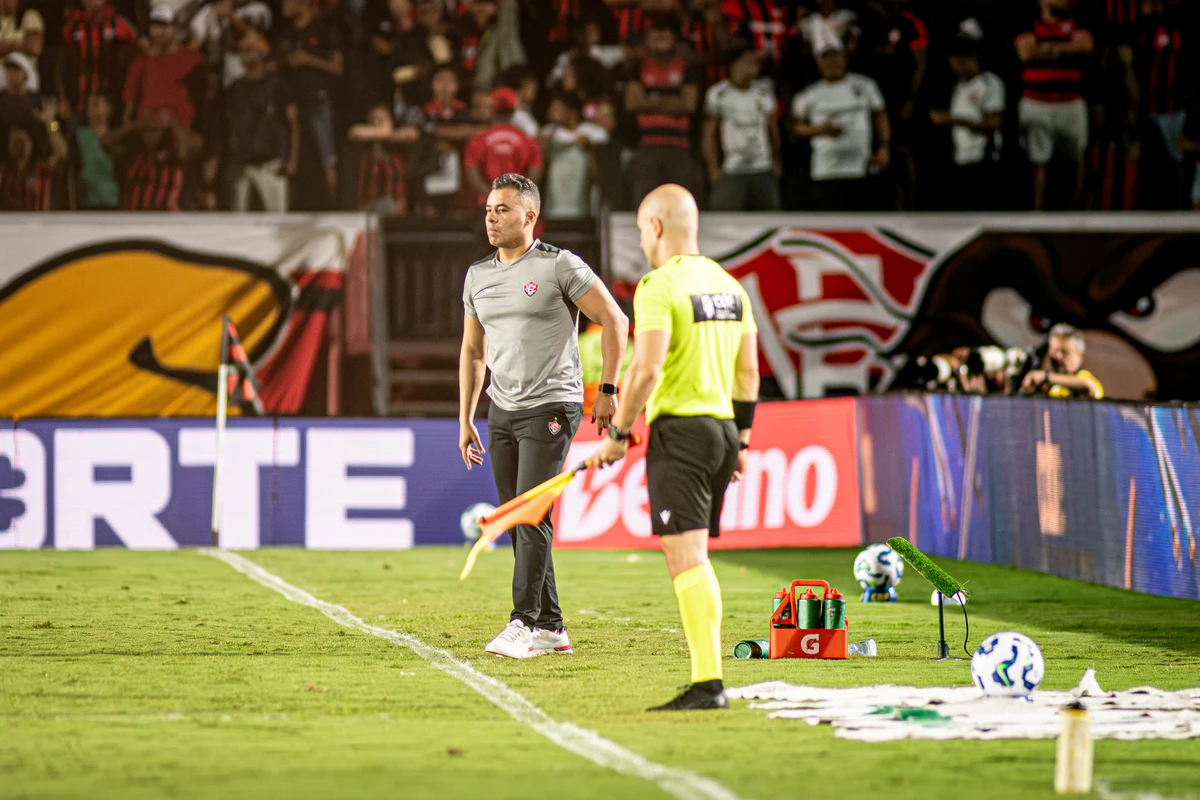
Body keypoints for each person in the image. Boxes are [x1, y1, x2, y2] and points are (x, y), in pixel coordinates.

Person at [591, 183, 759, 712]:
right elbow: (749, 373)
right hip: (723, 432)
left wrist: (618, 432)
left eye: (642, 227)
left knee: (686, 558)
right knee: (694, 555)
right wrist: (744, 442)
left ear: (656, 227)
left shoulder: (658, 285)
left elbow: (647, 367)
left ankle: (708, 682)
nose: (642, 238)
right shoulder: (732, 286)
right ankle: (706, 680)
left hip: (681, 433)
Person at [458, 172, 628, 659]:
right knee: (518, 518)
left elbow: (616, 320)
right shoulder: (477, 275)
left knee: (530, 515)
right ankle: (551, 626)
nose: (491, 217)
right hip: (501, 409)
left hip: (553, 404)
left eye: (503, 209)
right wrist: (466, 415)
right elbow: (473, 351)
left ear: (529, 216)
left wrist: (610, 390)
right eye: (489, 209)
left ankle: (523, 623)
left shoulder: (559, 266)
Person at [1015, 0, 1094, 210]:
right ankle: (1037, 212)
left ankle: (1076, 209)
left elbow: (1085, 44)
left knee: (1077, 157)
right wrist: (1066, 48)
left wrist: (1046, 47)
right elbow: (1025, 52)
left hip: (1070, 102)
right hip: (1036, 101)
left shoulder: (1078, 22)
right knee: (1037, 160)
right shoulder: (1027, 23)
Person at [791, 42, 889, 211]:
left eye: (835, 58)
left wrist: (884, 146)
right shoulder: (809, 94)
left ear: (844, 59)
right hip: (826, 170)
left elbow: (880, 116)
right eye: (826, 60)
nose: (831, 63)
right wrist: (820, 130)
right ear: (818, 63)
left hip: (861, 167)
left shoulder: (865, 85)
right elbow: (795, 128)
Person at [625, 17, 703, 207]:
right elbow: (633, 103)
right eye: (655, 35)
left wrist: (650, 100)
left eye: (665, 34)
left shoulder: (687, 67)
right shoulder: (637, 67)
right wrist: (672, 101)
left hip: (679, 147)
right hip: (646, 147)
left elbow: (689, 105)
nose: (660, 38)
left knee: (681, 203)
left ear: (674, 39)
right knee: (644, 203)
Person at [277, 0, 345, 201]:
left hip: (319, 101)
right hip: (292, 103)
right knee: (291, 160)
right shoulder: (288, 34)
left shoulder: (324, 30)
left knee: (328, 158)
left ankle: (336, 203)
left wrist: (308, 59)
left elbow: (338, 68)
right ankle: (291, 206)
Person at [928, 41, 1003, 210]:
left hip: (983, 156)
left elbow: (994, 122)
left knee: (981, 205)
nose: (954, 68)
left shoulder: (989, 82)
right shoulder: (960, 86)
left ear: (967, 60)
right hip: (961, 157)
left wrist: (953, 120)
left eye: (955, 62)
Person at [224, 40, 298, 212]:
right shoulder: (235, 88)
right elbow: (229, 125)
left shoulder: (277, 86)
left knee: (277, 217)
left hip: (271, 164)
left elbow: (292, 123)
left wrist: (292, 159)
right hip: (241, 163)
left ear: (261, 54)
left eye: (249, 51)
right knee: (238, 219)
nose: (244, 56)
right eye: (242, 52)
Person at [702, 47, 780, 211]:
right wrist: (713, 168)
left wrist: (776, 160)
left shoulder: (764, 92)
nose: (753, 67)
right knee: (723, 216)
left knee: (769, 217)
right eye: (748, 62)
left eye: (755, 63)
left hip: (762, 167)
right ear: (735, 66)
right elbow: (709, 133)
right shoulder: (718, 93)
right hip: (731, 168)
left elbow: (772, 128)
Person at [121, 5, 205, 128]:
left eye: (165, 26)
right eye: (155, 26)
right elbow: (129, 99)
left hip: (180, 127)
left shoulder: (191, 58)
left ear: (175, 29)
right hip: (147, 127)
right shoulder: (141, 62)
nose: (160, 31)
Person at [462, 86, 541, 207]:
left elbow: (472, 176)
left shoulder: (478, 140)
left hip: (487, 204)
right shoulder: (528, 141)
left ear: (492, 109)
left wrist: (494, 196)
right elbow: (535, 171)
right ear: (514, 110)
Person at [60, 0, 138, 115]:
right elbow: (61, 66)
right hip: (78, 102)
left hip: (112, 103)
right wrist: (63, 98)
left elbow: (137, 56)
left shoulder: (118, 25)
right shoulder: (71, 28)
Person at [539, 91, 607, 219]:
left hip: (580, 202)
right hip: (554, 204)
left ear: (572, 112)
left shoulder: (589, 131)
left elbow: (603, 137)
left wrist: (586, 143)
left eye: (556, 108)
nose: (551, 111)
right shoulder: (549, 132)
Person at [348, 102, 421, 214]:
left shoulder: (398, 143)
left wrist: (387, 134)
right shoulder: (366, 145)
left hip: (394, 199)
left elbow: (412, 134)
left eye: (381, 119)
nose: (376, 123)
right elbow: (355, 131)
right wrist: (383, 132)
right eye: (373, 120)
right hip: (368, 200)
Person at [1022, 323, 1104, 399]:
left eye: (1064, 352)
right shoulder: (1045, 385)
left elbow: (1089, 386)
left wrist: (1046, 377)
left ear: (1079, 356)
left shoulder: (1084, 377)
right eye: (1054, 351)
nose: (1058, 356)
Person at [73, 93, 121, 209]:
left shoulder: (118, 136)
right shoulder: (80, 135)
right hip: (88, 202)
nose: (91, 109)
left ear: (109, 109)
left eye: (96, 104)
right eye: (88, 106)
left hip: (113, 201)